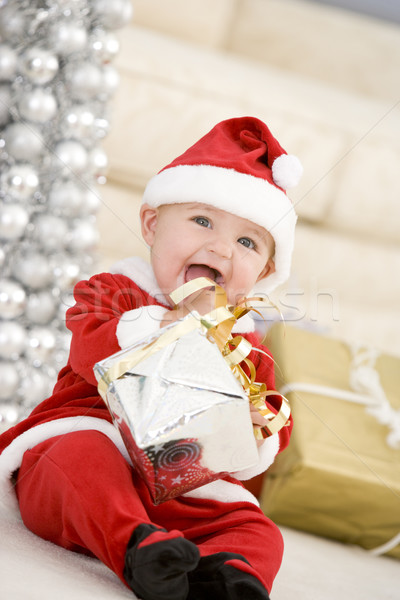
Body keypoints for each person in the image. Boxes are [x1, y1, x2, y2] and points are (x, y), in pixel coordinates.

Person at [0, 116, 302, 600]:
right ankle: (139, 552)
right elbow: (90, 346)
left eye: (247, 242)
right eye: (202, 220)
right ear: (152, 224)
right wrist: (171, 324)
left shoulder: (244, 343)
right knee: (77, 458)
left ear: (263, 272)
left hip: (180, 481)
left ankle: (230, 579)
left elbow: (272, 423)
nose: (221, 246)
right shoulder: (114, 292)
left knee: (256, 525)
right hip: (90, 452)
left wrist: (256, 424)